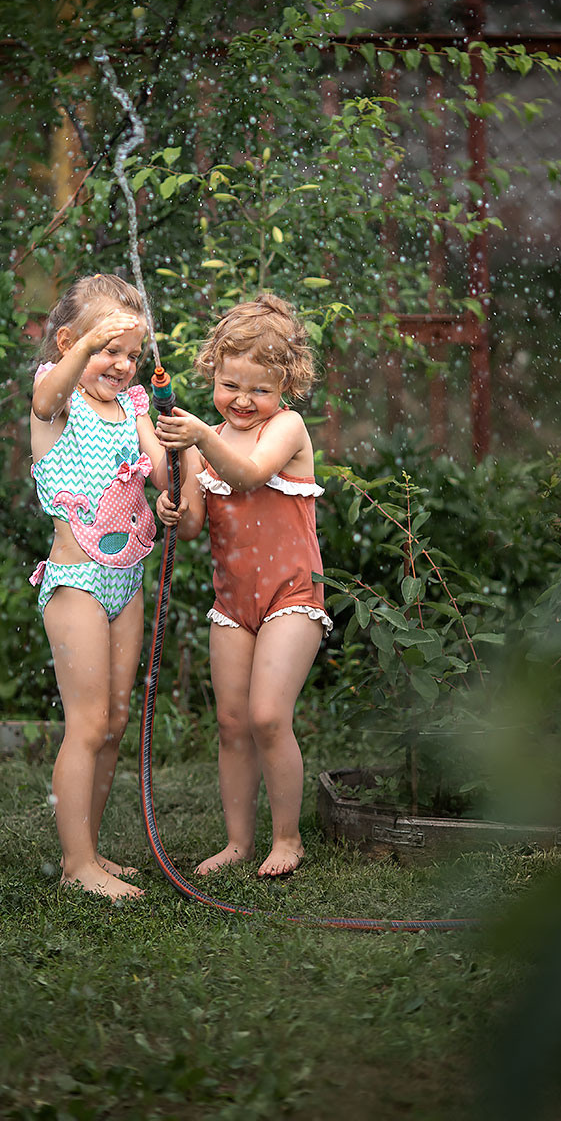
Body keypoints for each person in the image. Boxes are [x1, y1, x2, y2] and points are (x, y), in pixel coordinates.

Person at [155, 293, 332, 878]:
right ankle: (237, 842)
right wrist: (172, 501)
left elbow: (252, 476)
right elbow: (197, 518)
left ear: (285, 386)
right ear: (213, 372)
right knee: (232, 724)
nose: (243, 400)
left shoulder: (287, 428)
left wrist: (202, 439)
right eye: (231, 385)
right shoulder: (207, 442)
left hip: (292, 596)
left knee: (266, 717)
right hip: (233, 602)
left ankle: (288, 838)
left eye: (259, 389)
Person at [29, 273, 186, 900]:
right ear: (70, 342)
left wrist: (171, 498)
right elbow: (48, 397)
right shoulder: (55, 397)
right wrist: (84, 345)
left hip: (127, 577)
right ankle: (75, 866)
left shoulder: (133, 408)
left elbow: (154, 475)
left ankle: (88, 850)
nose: (121, 365)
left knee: (117, 720)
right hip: (77, 583)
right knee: (88, 722)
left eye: (129, 353)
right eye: (106, 349)